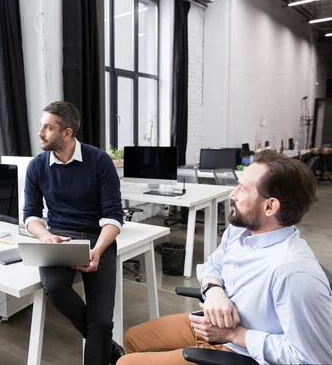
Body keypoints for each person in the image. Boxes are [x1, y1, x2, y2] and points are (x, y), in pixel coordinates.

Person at [117, 150, 332, 365]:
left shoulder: (294, 272)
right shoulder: (240, 231)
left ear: (270, 206)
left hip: (241, 352)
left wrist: (234, 335)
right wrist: (214, 292)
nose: (232, 194)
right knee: (133, 338)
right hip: (213, 328)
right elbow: (212, 265)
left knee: (124, 363)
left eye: (243, 189)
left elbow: (314, 358)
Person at [23, 101, 125, 365]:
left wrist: (99, 250)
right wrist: (45, 236)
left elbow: (114, 216)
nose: (40, 133)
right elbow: (30, 216)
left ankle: (101, 340)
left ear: (67, 133)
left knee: (102, 320)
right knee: (55, 288)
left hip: (97, 236)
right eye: (41, 126)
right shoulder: (36, 166)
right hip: (57, 236)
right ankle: (109, 349)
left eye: (48, 128)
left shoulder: (99, 160)